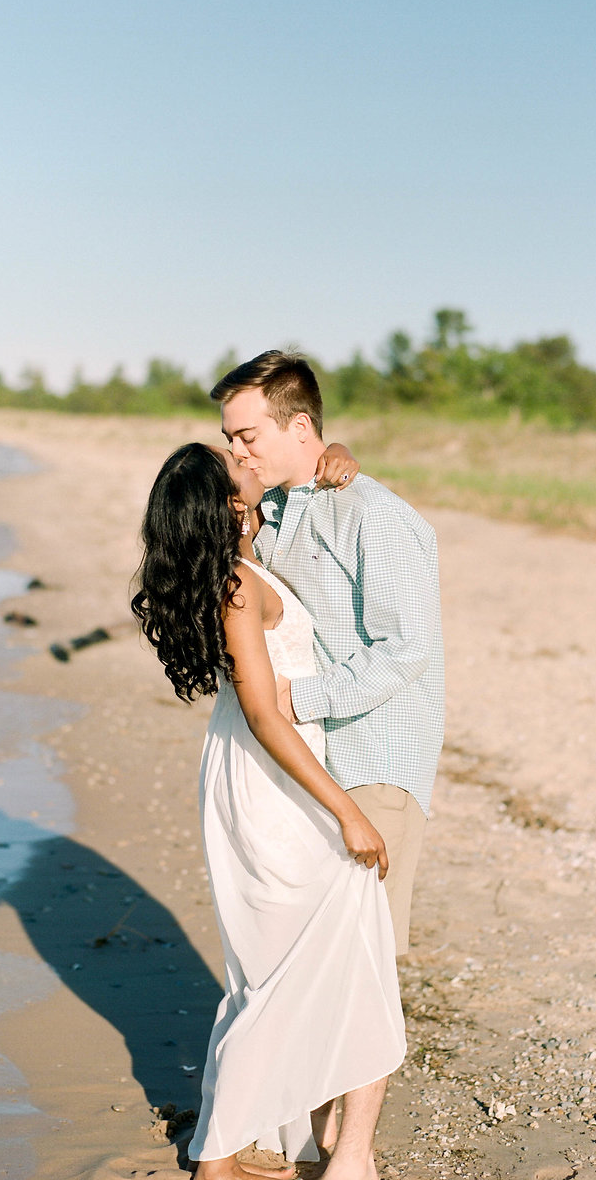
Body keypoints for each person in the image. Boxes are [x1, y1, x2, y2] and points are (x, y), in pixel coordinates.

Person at [131, 443, 405, 1180]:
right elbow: (262, 711)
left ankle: (249, 1133)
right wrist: (347, 809)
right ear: (226, 503)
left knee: (277, 964)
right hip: (271, 778)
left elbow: (301, 482)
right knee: (290, 966)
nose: (247, 459)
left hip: (257, 770)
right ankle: (216, 1155)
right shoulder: (237, 587)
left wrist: (333, 460)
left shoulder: (242, 562)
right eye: (236, 464)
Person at [211, 350, 445, 961]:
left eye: (248, 435)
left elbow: (405, 649)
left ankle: (370, 1063)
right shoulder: (278, 512)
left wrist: (300, 699)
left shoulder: (376, 515)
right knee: (320, 950)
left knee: (364, 952)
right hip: (314, 759)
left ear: (298, 426)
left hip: (375, 755)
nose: (239, 451)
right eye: (230, 438)